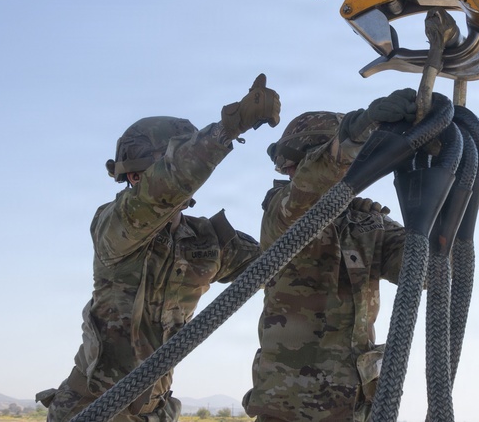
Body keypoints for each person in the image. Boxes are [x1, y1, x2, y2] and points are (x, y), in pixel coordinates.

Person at [37, 73, 282, 422]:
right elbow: (164, 188)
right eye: (162, 167)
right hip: (94, 408)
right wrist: (226, 130)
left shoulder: (205, 240)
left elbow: (283, 262)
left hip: (156, 410)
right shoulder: (114, 226)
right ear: (135, 177)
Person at [242, 89, 416, 422]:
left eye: (293, 165)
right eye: (289, 168)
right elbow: (308, 189)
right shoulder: (282, 212)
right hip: (290, 408)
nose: (288, 174)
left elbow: (421, 272)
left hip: (359, 409)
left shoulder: (370, 223)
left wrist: (440, 220)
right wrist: (359, 133)